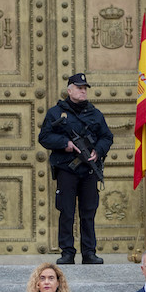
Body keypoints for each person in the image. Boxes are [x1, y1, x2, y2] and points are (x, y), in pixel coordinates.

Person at [37, 72, 113, 265]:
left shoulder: (95, 114)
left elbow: (107, 137)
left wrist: (97, 150)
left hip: (88, 170)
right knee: (67, 212)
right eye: (79, 88)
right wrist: (65, 144)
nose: (83, 91)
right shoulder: (56, 113)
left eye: (85, 88)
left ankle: (89, 252)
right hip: (67, 169)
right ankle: (67, 252)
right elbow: (44, 137)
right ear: (69, 90)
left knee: (88, 212)